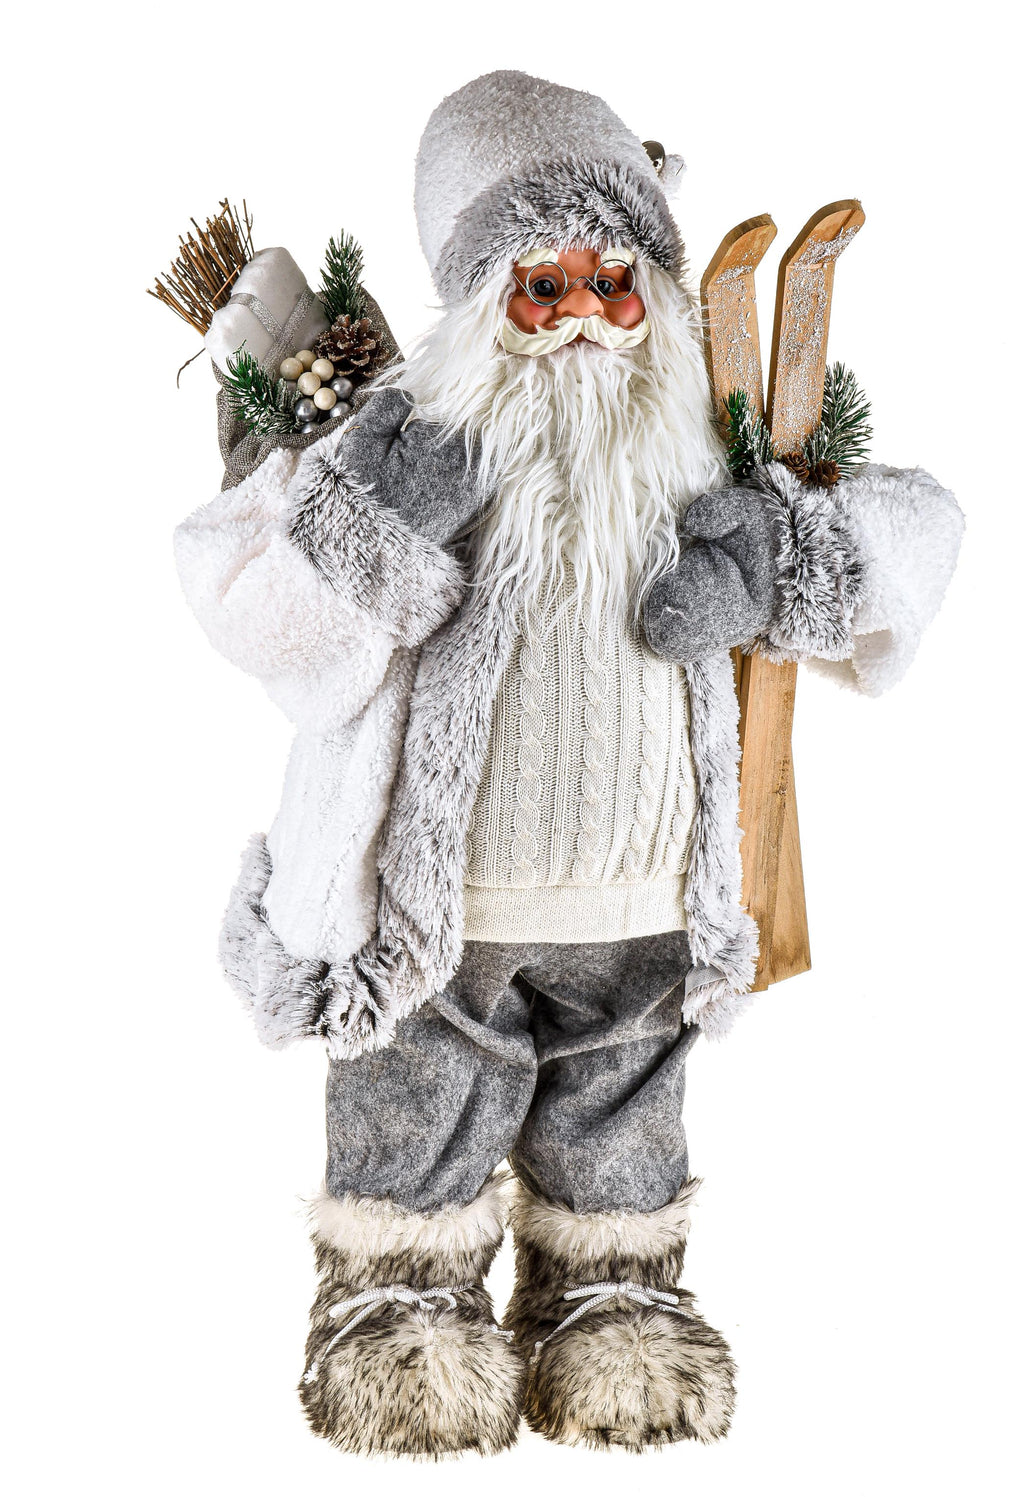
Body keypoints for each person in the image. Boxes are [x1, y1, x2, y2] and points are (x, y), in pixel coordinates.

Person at [175, 70, 963, 1457]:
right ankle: (396, 1310)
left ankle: (612, 1302)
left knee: (622, 1129)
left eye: (615, 280)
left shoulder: (705, 444)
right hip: (441, 918)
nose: (588, 315)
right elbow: (257, 613)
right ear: (482, 295)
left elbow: (922, 537)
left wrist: (778, 564)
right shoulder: (401, 440)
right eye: (544, 288)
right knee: (417, 1112)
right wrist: (378, 526)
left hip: (647, 910)